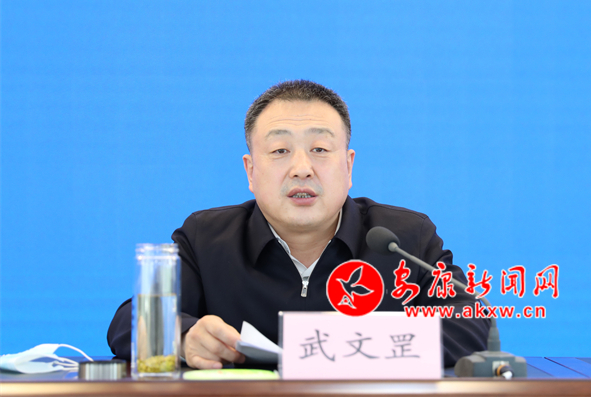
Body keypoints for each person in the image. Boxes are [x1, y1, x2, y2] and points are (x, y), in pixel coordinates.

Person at [108, 80, 489, 369]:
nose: (302, 168)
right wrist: (184, 337)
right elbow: (128, 323)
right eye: (280, 151)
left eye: (320, 149)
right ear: (251, 171)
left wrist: (345, 342)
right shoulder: (206, 237)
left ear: (348, 166)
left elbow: (470, 323)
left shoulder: (404, 238)